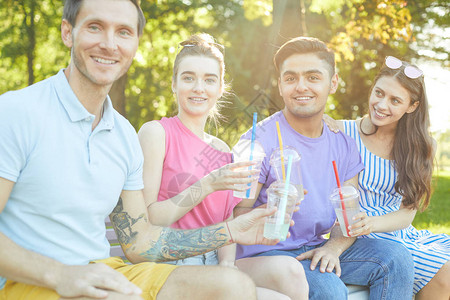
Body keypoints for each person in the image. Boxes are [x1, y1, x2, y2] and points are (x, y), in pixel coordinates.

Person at [0, 1, 284, 299]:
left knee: (233, 287)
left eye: (123, 32)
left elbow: (138, 242)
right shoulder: (16, 112)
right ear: (68, 32)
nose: (109, 44)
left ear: (135, 44)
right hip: (31, 281)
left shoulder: (122, 134)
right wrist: (61, 274)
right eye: (95, 27)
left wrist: (231, 232)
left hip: (107, 270)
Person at [234, 36, 416, 299]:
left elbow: (348, 216)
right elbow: (234, 215)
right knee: (329, 288)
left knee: (396, 259)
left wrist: (333, 248)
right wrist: (266, 211)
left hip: (315, 246)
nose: (301, 87)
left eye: (312, 77)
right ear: (281, 85)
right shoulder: (259, 142)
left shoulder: (342, 144)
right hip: (267, 253)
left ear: (333, 83)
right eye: (290, 78)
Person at [138, 33, 307, 300]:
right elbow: (149, 218)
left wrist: (228, 263)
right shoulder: (156, 134)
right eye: (188, 77)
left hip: (214, 263)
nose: (198, 88)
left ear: (220, 89)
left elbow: (225, 219)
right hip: (170, 263)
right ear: (174, 84)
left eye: (209, 80)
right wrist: (207, 185)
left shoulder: (222, 150)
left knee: (287, 290)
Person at [324, 56, 450, 299]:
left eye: (395, 100)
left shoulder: (421, 146)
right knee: (444, 271)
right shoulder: (342, 131)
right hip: (353, 234)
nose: (382, 105)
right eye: (379, 93)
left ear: (411, 106)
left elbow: (407, 214)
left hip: (396, 231)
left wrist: (373, 223)